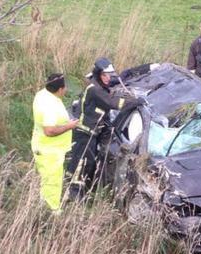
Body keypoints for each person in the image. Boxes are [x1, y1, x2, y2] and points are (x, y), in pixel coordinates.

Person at [65, 57, 139, 201]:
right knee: (81, 163)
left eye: (109, 75)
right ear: (98, 74)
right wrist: (135, 102)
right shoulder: (94, 90)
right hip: (84, 132)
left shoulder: (100, 86)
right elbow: (113, 103)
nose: (107, 78)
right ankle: (73, 194)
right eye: (105, 75)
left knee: (89, 163)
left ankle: (81, 192)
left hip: (92, 133)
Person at [31, 74, 79, 211]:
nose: (66, 90)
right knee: (53, 183)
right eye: (65, 88)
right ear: (59, 89)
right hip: (49, 151)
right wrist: (69, 126)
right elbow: (49, 131)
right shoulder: (50, 106)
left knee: (46, 180)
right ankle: (52, 212)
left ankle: (42, 206)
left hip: (43, 147)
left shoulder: (43, 94)